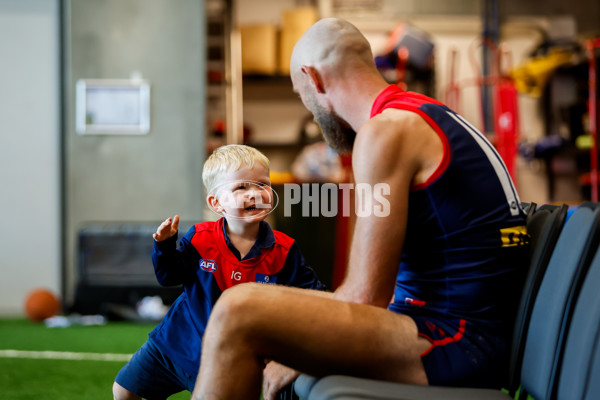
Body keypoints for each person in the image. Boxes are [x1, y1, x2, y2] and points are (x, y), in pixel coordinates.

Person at [191, 18, 530, 400]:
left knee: (240, 309)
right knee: (254, 299)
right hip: (448, 329)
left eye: (300, 93)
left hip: (455, 341)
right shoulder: (419, 114)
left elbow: (365, 297)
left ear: (313, 79)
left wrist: (304, 352)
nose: (309, 109)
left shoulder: (386, 132)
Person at [112, 144, 325, 400]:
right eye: (241, 187)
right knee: (123, 392)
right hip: (176, 342)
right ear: (216, 202)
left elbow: (313, 297)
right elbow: (169, 276)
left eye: (262, 184)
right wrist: (164, 246)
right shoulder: (200, 239)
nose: (255, 193)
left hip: (229, 357)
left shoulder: (284, 250)